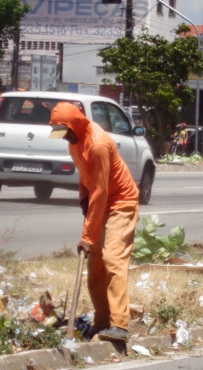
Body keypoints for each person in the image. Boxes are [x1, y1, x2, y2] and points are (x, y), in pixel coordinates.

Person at [49, 102, 140, 343]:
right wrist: (83, 199)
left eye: (66, 131)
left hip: (121, 203)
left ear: (77, 124)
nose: (65, 137)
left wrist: (87, 237)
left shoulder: (98, 144)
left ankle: (120, 325)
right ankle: (102, 322)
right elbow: (84, 173)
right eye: (61, 133)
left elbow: (101, 191)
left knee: (113, 259)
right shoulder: (74, 141)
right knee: (95, 267)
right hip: (99, 201)